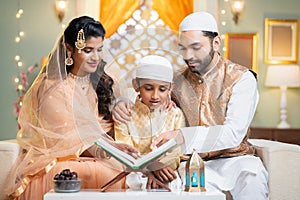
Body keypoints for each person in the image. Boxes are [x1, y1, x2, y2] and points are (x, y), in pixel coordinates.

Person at [112, 12, 268, 199]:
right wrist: (122, 101)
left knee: (252, 176)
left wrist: (180, 136)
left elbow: (233, 134)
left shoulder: (242, 79)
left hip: (235, 161)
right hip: (189, 165)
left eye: (196, 47)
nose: (189, 56)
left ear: (216, 42)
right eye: (183, 48)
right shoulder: (175, 80)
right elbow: (143, 96)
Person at [5, 16, 138, 200]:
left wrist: (121, 102)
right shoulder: (52, 87)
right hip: (60, 161)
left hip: (96, 156)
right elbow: (68, 140)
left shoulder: (102, 81)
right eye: (88, 50)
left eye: (99, 50)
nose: (96, 57)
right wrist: (112, 149)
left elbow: (137, 103)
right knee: (106, 172)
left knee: (119, 170)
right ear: (69, 49)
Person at [114, 55, 186, 189]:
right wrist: (148, 167)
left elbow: (177, 151)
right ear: (136, 85)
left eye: (162, 89)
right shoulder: (126, 113)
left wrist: (159, 165)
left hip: (166, 171)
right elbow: (124, 149)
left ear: (170, 88)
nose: (155, 95)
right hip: (134, 172)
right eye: (148, 88)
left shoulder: (175, 114)